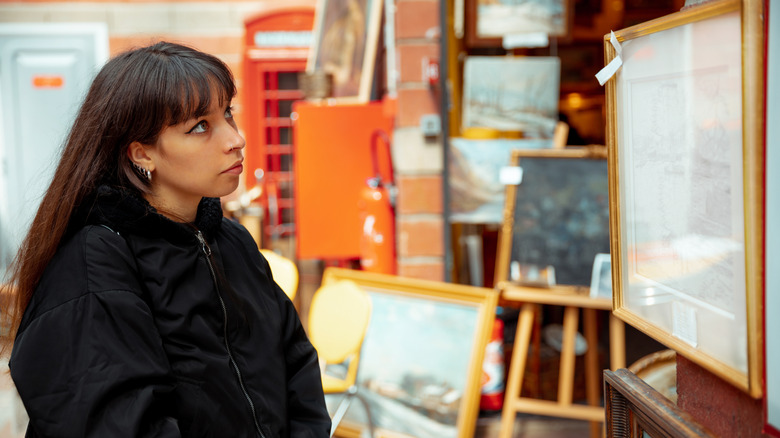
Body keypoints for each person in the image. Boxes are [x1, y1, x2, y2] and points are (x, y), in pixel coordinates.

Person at [0, 41, 331, 437]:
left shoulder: (232, 241)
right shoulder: (93, 264)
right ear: (142, 154)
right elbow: (118, 422)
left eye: (227, 113)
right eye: (201, 127)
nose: (234, 139)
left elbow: (297, 366)